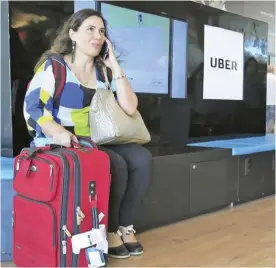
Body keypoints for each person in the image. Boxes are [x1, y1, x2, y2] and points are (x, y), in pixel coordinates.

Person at [23, 8, 152, 259]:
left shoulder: (102, 71)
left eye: (102, 31)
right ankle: (111, 230)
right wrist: (57, 130)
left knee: (142, 159)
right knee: (115, 163)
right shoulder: (56, 66)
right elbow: (33, 107)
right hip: (64, 139)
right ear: (73, 33)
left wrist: (114, 64)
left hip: (98, 139)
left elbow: (130, 106)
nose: (97, 36)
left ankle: (126, 225)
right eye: (90, 29)